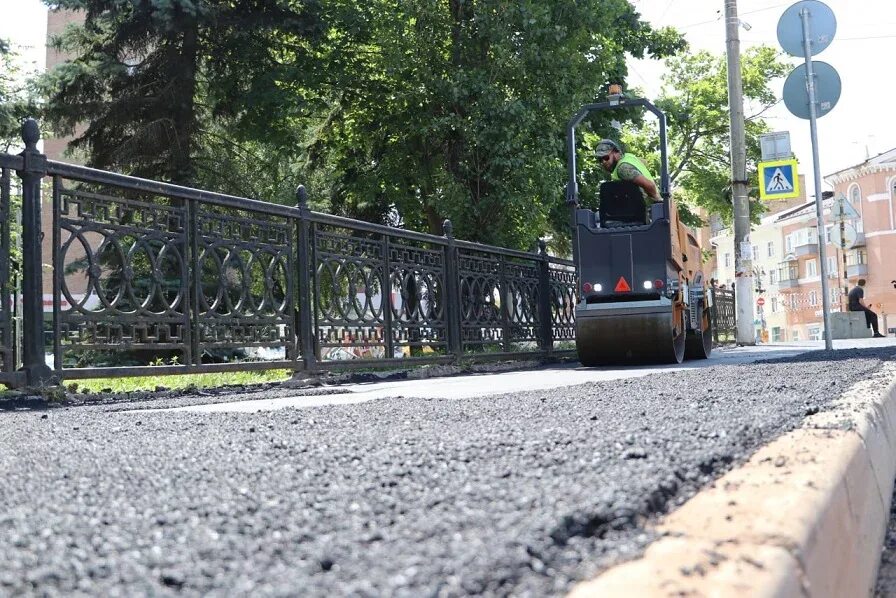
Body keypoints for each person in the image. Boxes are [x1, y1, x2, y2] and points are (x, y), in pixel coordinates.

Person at [594, 139, 661, 203]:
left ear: (615, 152)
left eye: (606, 157)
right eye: (600, 160)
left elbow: (649, 185)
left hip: (644, 211)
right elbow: (644, 162)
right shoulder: (628, 157)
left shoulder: (623, 169)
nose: (603, 162)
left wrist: (657, 201)